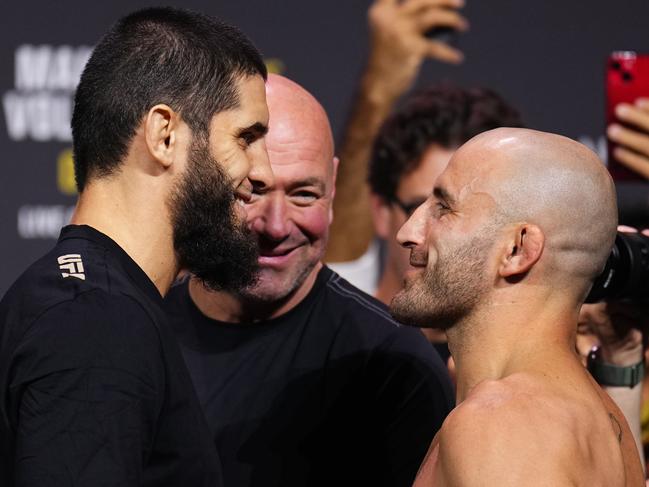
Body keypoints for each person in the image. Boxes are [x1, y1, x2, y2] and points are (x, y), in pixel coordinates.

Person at [0, 7, 273, 486]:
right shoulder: (95, 322)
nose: (263, 173)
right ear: (164, 135)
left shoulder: (89, 302)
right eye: (246, 138)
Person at [164, 74, 454, 487]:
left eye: (303, 194)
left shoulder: (392, 362)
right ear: (201, 183)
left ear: (333, 188)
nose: (277, 225)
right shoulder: (135, 328)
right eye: (251, 191)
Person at [390, 127, 645, 485]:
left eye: (443, 208)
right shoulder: (606, 420)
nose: (407, 232)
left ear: (517, 250)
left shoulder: (500, 424)